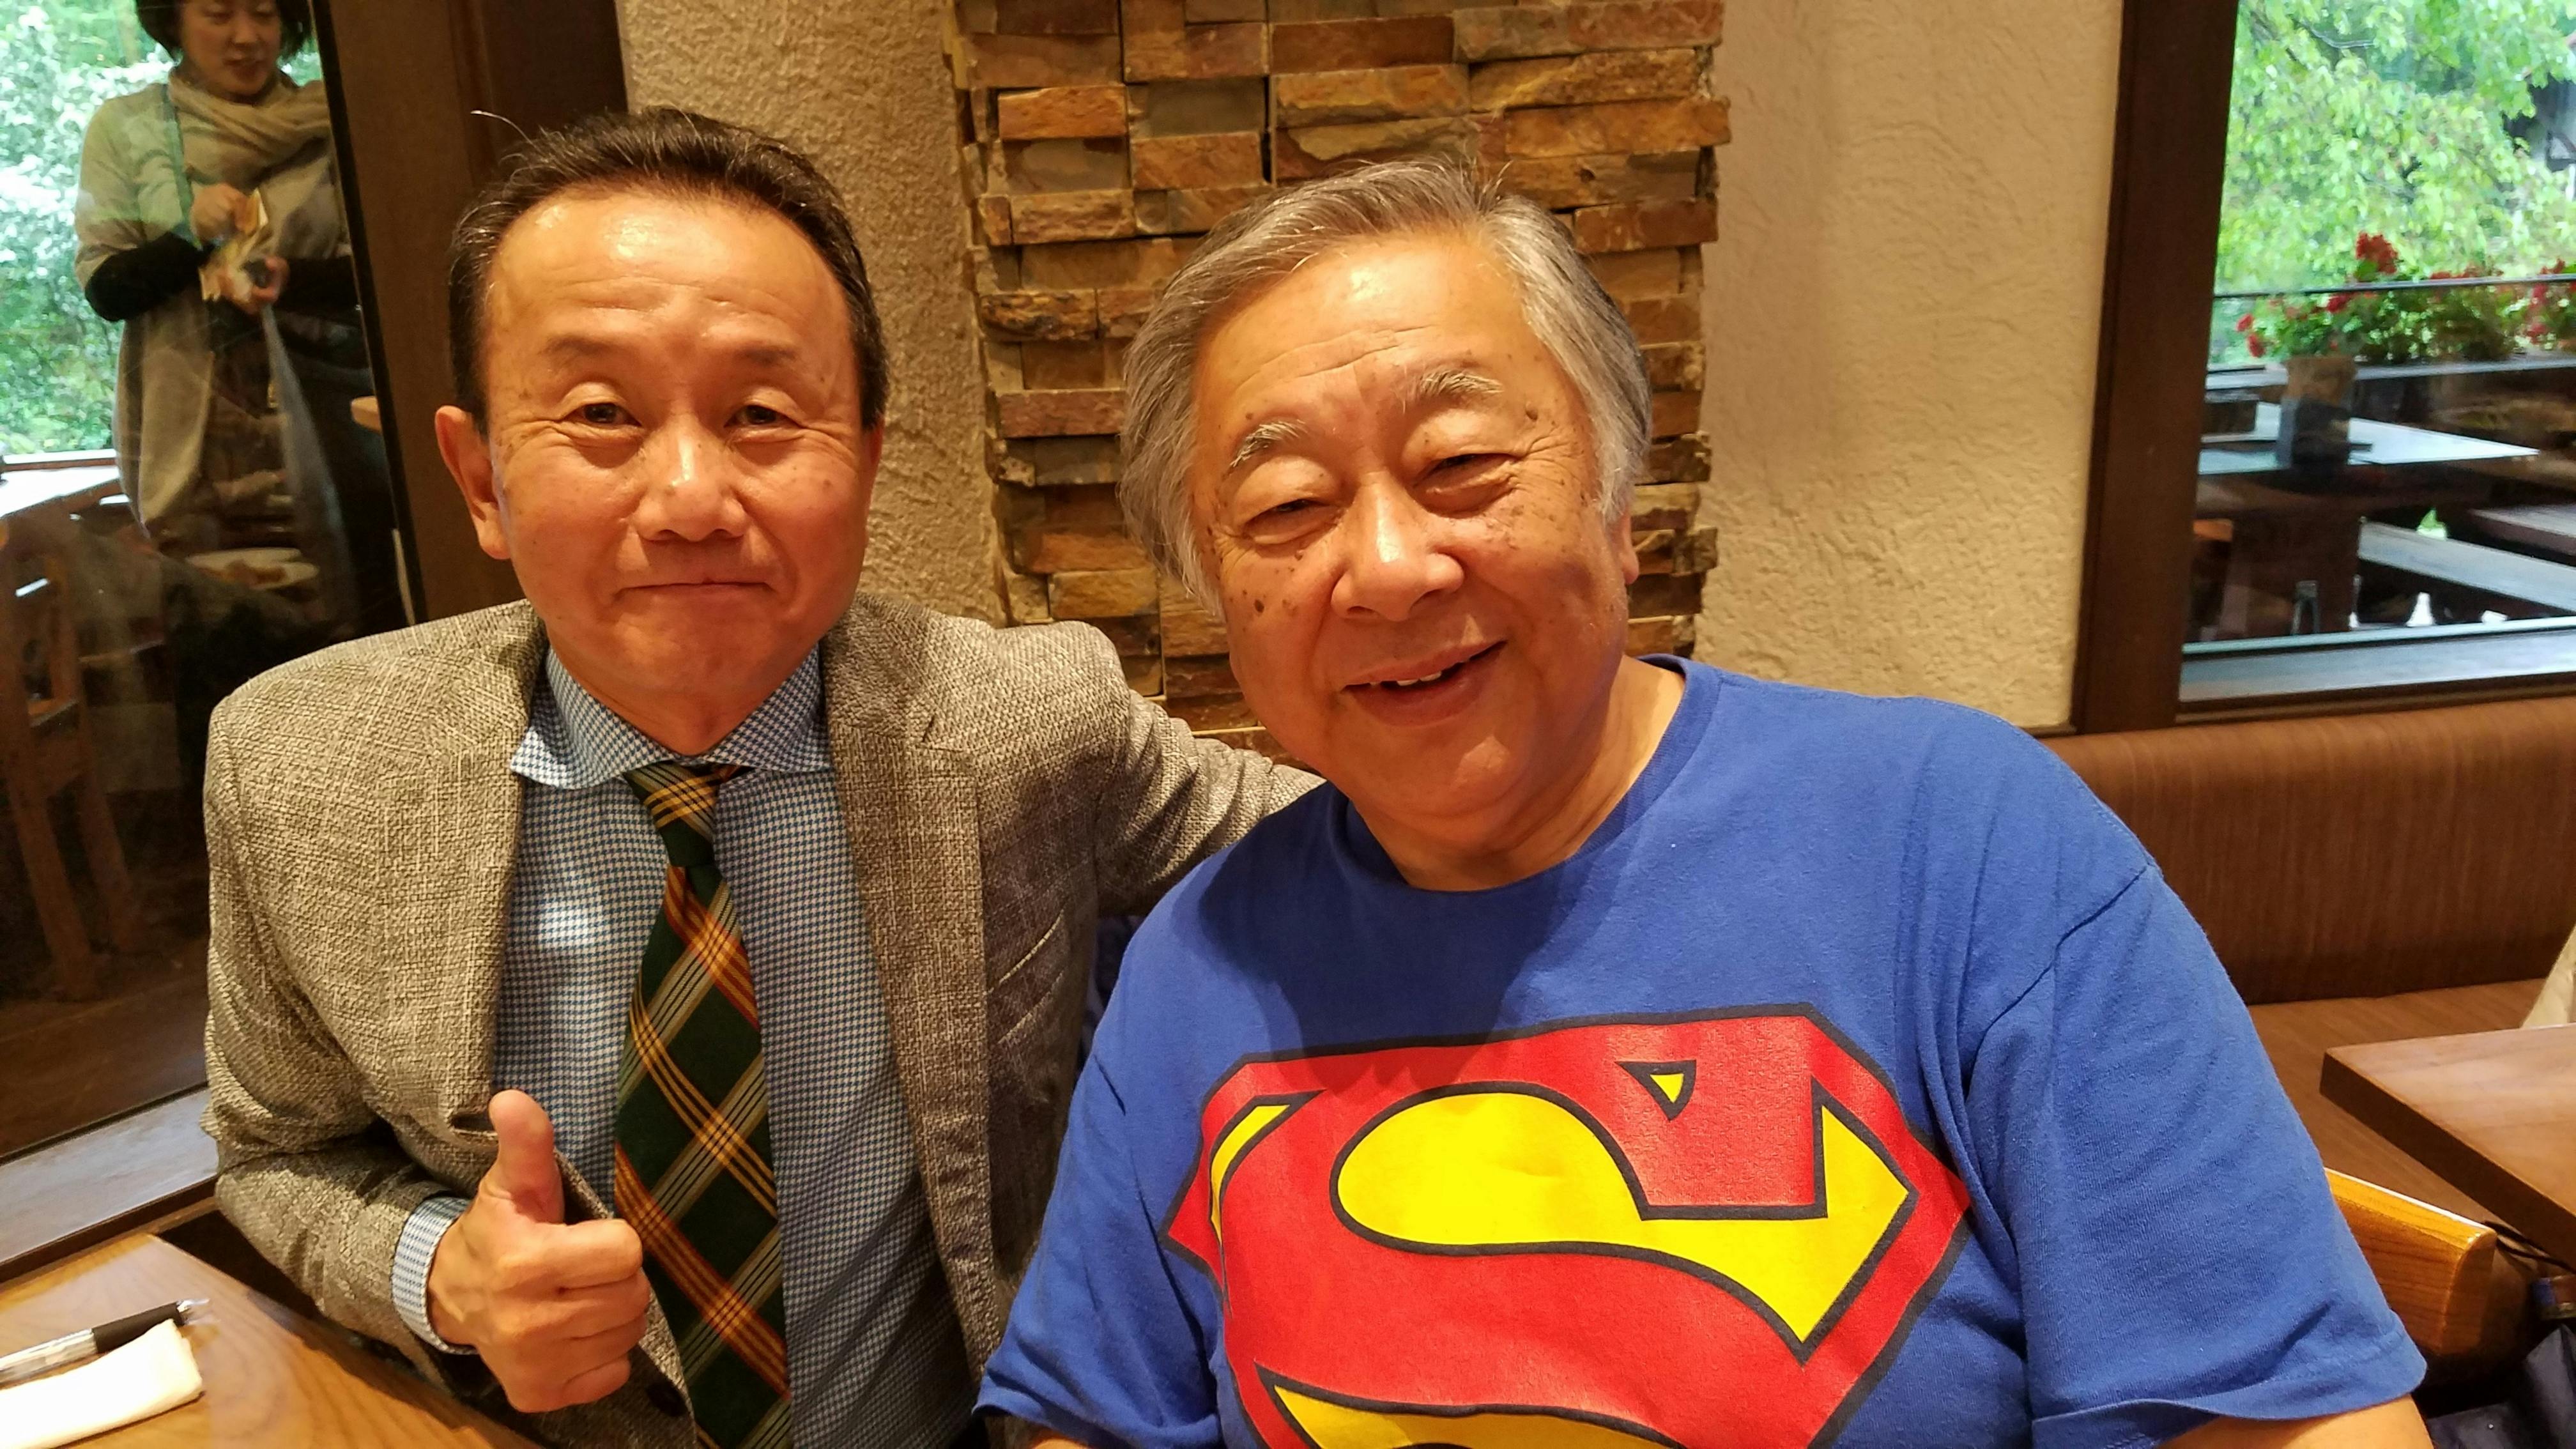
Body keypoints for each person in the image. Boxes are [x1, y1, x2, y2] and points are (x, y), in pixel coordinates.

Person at [977, 160, 2436, 1448]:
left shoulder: (1961, 844)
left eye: (1462, 464)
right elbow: (1089, 1419)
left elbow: (2286, 1420)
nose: (1391, 567)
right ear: (1218, 595)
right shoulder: (1202, 968)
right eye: (1287, 505)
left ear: (1622, 506)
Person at [199, 109, 1310, 1449]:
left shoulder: (1026, 721)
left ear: (866, 461)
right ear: (480, 476)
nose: (689, 499)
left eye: (763, 415)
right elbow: (277, 1150)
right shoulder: (300, 768)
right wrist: (438, 1270)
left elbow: (1363, 842)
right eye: (601, 414)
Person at [74, 0, 365, 558]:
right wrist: (191, 236)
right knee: (214, 601)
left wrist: (292, 278)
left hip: (325, 428)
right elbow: (107, 290)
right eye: (218, 14)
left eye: (264, 14)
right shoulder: (128, 128)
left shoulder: (331, 118)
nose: (247, 36)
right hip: (192, 446)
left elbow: (386, 272)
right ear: (173, 22)